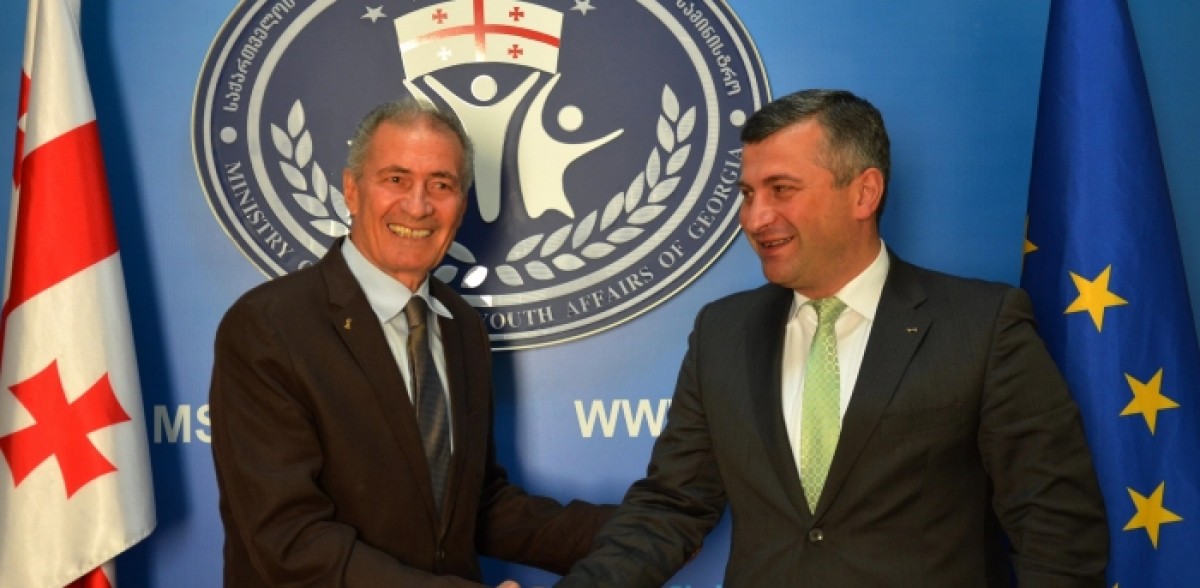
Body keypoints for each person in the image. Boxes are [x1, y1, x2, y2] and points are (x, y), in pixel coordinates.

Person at [555, 89, 1109, 586]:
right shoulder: (721, 333)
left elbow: (1055, 524)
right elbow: (671, 507)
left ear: (864, 193)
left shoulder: (982, 326)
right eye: (747, 193)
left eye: (781, 189)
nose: (755, 217)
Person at [210, 98, 611, 587]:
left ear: (461, 206)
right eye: (396, 179)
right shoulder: (268, 327)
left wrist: (641, 532)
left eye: (440, 184)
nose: (418, 206)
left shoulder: (461, 327)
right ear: (352, 190)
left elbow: (473, 508)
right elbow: (289, 541)